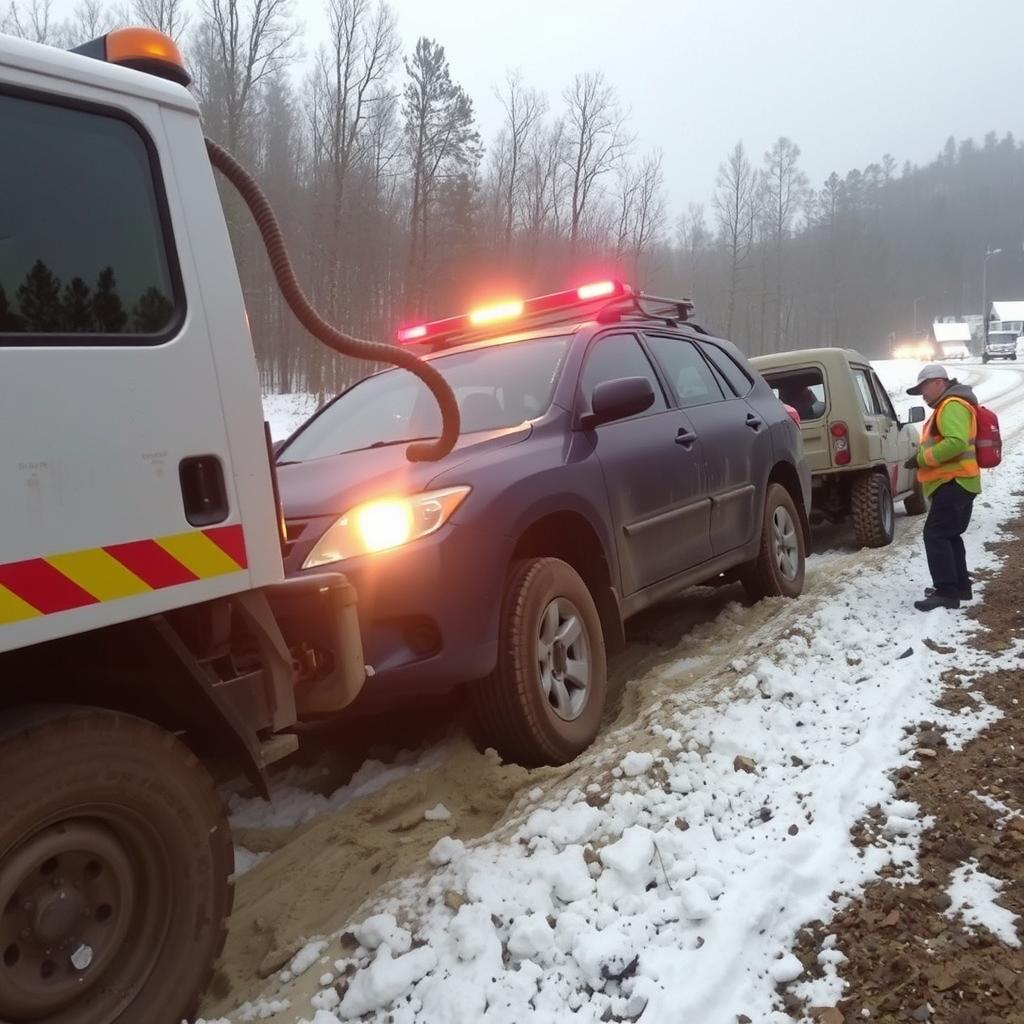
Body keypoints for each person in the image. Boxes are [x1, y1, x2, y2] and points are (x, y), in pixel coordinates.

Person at [904, 363, 980, 612]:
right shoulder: (949, 405)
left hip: (954, 481)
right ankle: (959, 587)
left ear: (938, 382)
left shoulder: (951, 406)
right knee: (948, 534)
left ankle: (947, 591)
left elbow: (956, 442)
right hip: (959, 482)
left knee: (935, 535)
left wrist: (922, 459)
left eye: (923, 388)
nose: (922, 395)